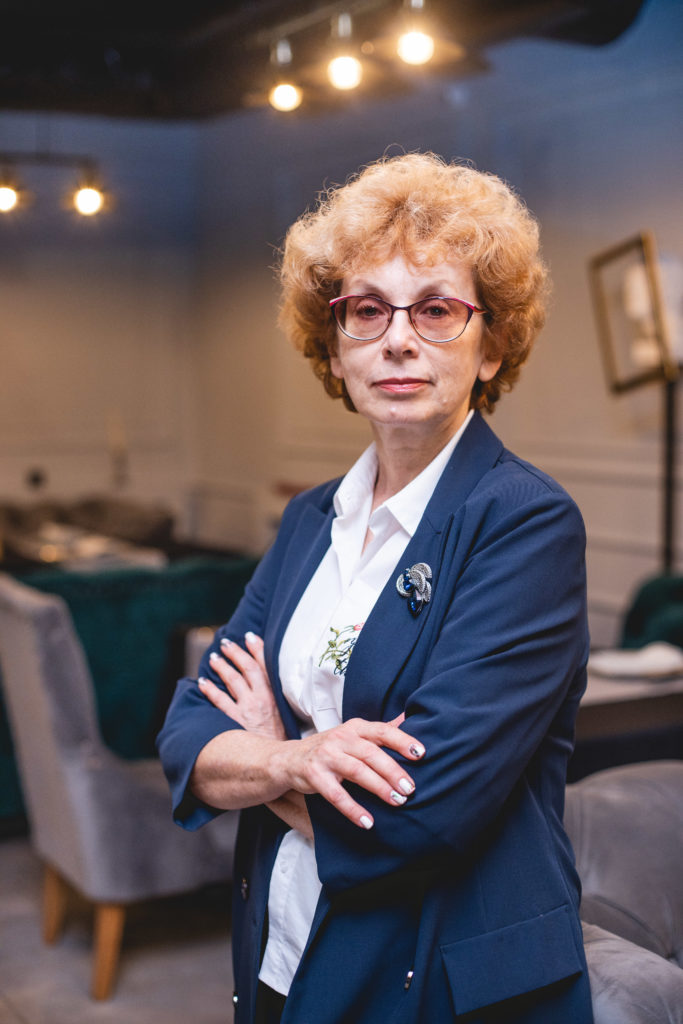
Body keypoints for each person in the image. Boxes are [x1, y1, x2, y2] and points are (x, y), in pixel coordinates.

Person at [158, 152, 593, 1024]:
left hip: (445, 981)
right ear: (335, 345)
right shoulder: (309, 518)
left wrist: (262, 756)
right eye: (366, 310)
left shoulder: (525, 521)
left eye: (435, 309)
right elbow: (186, 734)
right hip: (284, 943)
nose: (397, 339)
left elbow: (416, 815)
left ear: (490, 346)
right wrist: (291, 759)